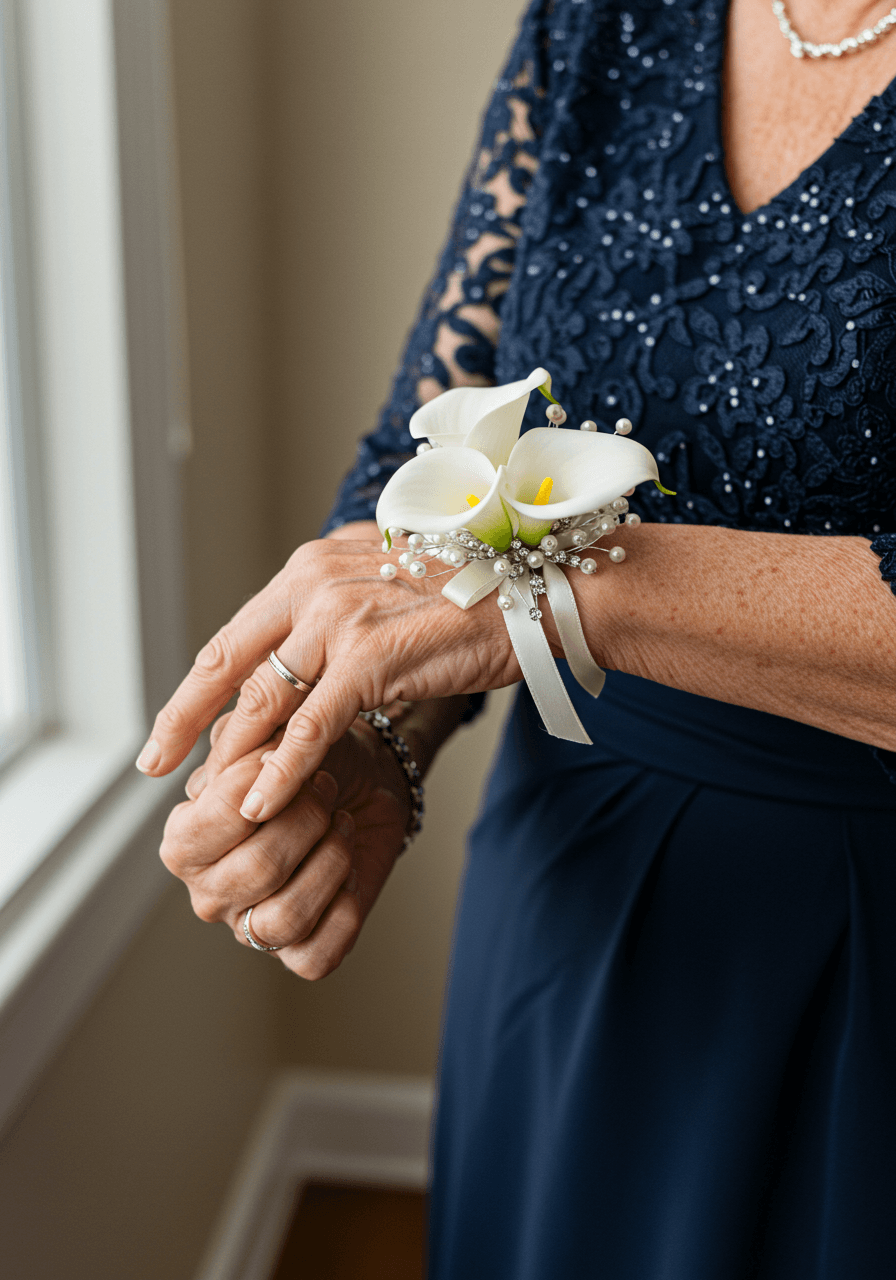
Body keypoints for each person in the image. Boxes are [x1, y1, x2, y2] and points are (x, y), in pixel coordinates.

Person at [144, 0, 896, 1274]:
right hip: (562, 907)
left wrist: (575, 581)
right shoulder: (598, 20)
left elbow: (524, 575)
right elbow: (427, 451)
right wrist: (375, 731)